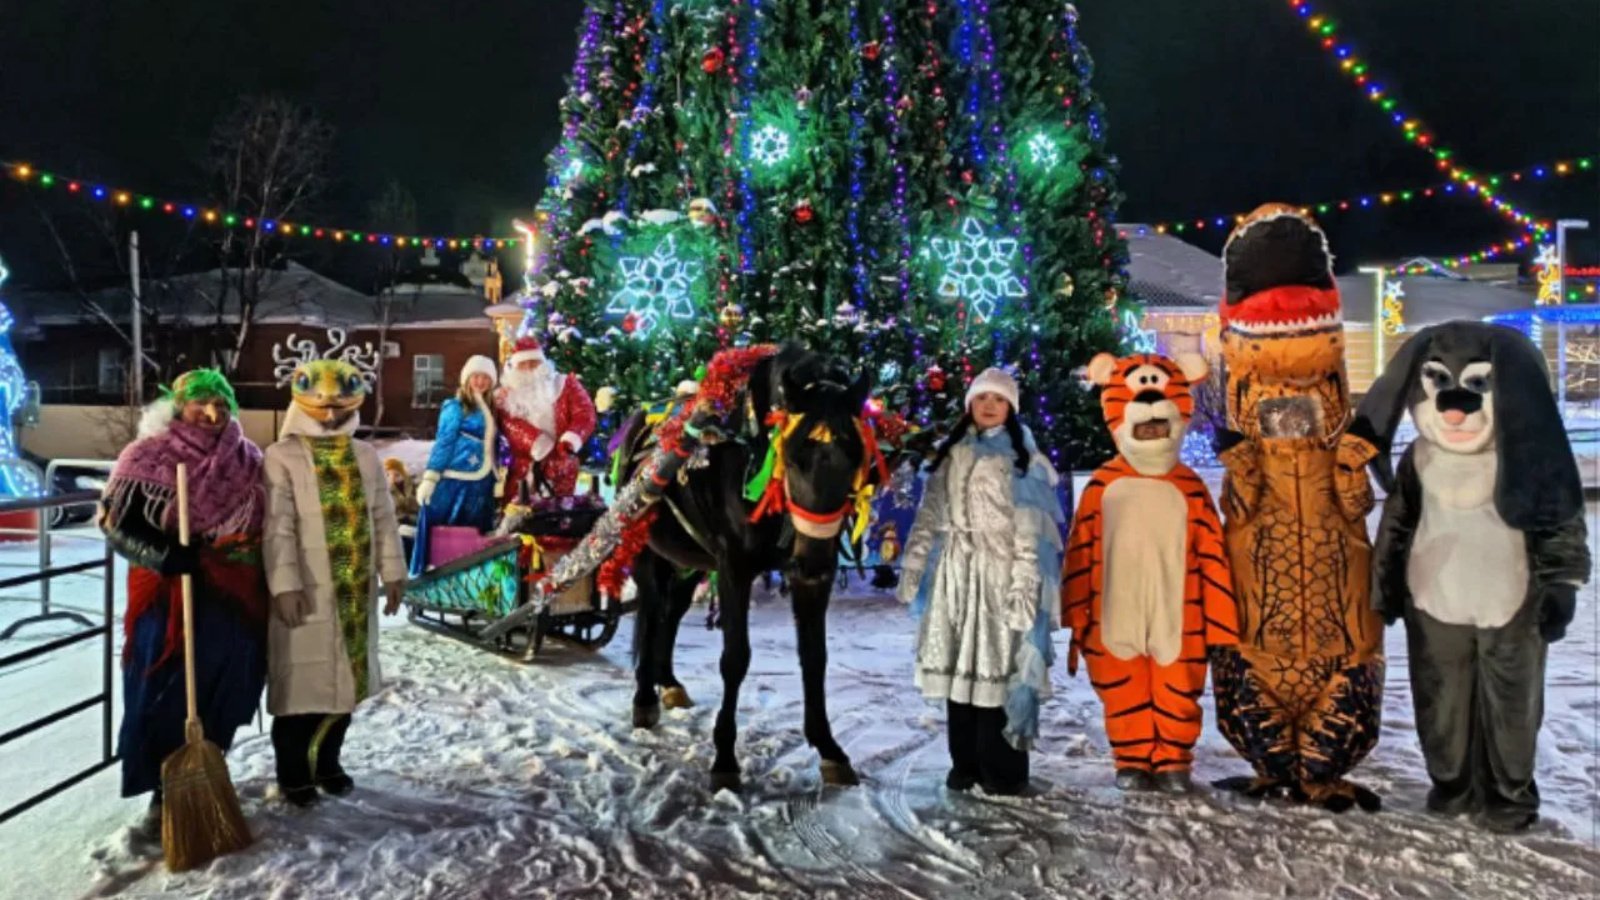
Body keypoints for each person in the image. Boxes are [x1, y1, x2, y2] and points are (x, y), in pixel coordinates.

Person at [99, 369, 268, 842]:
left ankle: (207, 770)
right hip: (169, 594)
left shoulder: (249, 459)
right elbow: (114, 522)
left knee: (225, 687)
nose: (212, 413)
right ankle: (162, 788)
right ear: (178, 407)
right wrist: (163, 553)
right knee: (163, 692)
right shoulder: (147, 455)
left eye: (222, 403)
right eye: (200, 404)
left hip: (232, 596)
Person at [897, 367, 1064, 796]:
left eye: (999, 399)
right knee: (959, 667)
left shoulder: (1024, 460)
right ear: (970, 403)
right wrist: (915, 563)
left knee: (998, 668)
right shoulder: (951, 454)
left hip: (999, 573)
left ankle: (1002, 772)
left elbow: (1030, 528)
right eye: (983, 398)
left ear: (1011, 409)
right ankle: (964, 765)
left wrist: (1024, 583)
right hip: (955, 573)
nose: (990, 406)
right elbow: (930, 512)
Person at [263, 334, 406, 806]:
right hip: (306, 592)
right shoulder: (281, 456)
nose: (328, 413)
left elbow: (383, 516)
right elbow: (277, 527)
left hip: (353, 592)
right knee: (301, 691)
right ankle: (293, 773)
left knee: (346, 687)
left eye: (336, 405)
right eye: (321, 405)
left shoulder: (364, 456)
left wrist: (393, 571)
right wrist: (284, 585)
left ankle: (328, 762)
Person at [411, 355, 499, 574]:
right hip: (455, 480)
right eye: (476, 376)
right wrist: (431, 477)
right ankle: (442, 575)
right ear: (466, 378)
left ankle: (472, 579)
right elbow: (444, 441)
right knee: (450, 533)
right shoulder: (455, 407)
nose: (480, 381)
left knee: (475, 535)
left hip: (482, 482)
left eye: (485, 377)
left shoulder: (490, 407)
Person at [494, 335, 596, 503]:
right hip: (523, 467)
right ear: (515, 367)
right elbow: (507, 422)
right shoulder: (505, 395)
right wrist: (535, 441)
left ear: (543, 363)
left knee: (559, 511)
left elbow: (585, 413)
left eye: (534, 362)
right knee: (519, 511)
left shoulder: (566, 384)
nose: (529, 367)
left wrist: (570, 439)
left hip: (562, 463)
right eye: (523, 363)